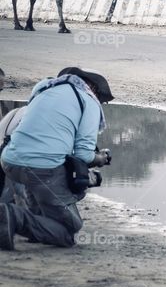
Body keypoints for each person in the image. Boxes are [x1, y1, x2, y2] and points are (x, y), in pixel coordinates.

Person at [0, 67, 113, 250]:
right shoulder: (88, 100)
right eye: (101, 99)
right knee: (70, 230)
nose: (100, 103)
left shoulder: (44, 90)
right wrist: (100, 158)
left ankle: (25, 224)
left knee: (45, 206)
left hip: (10, 161)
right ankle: (13, 217)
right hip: (42, 169)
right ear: (92, 88)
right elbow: (83, 155)